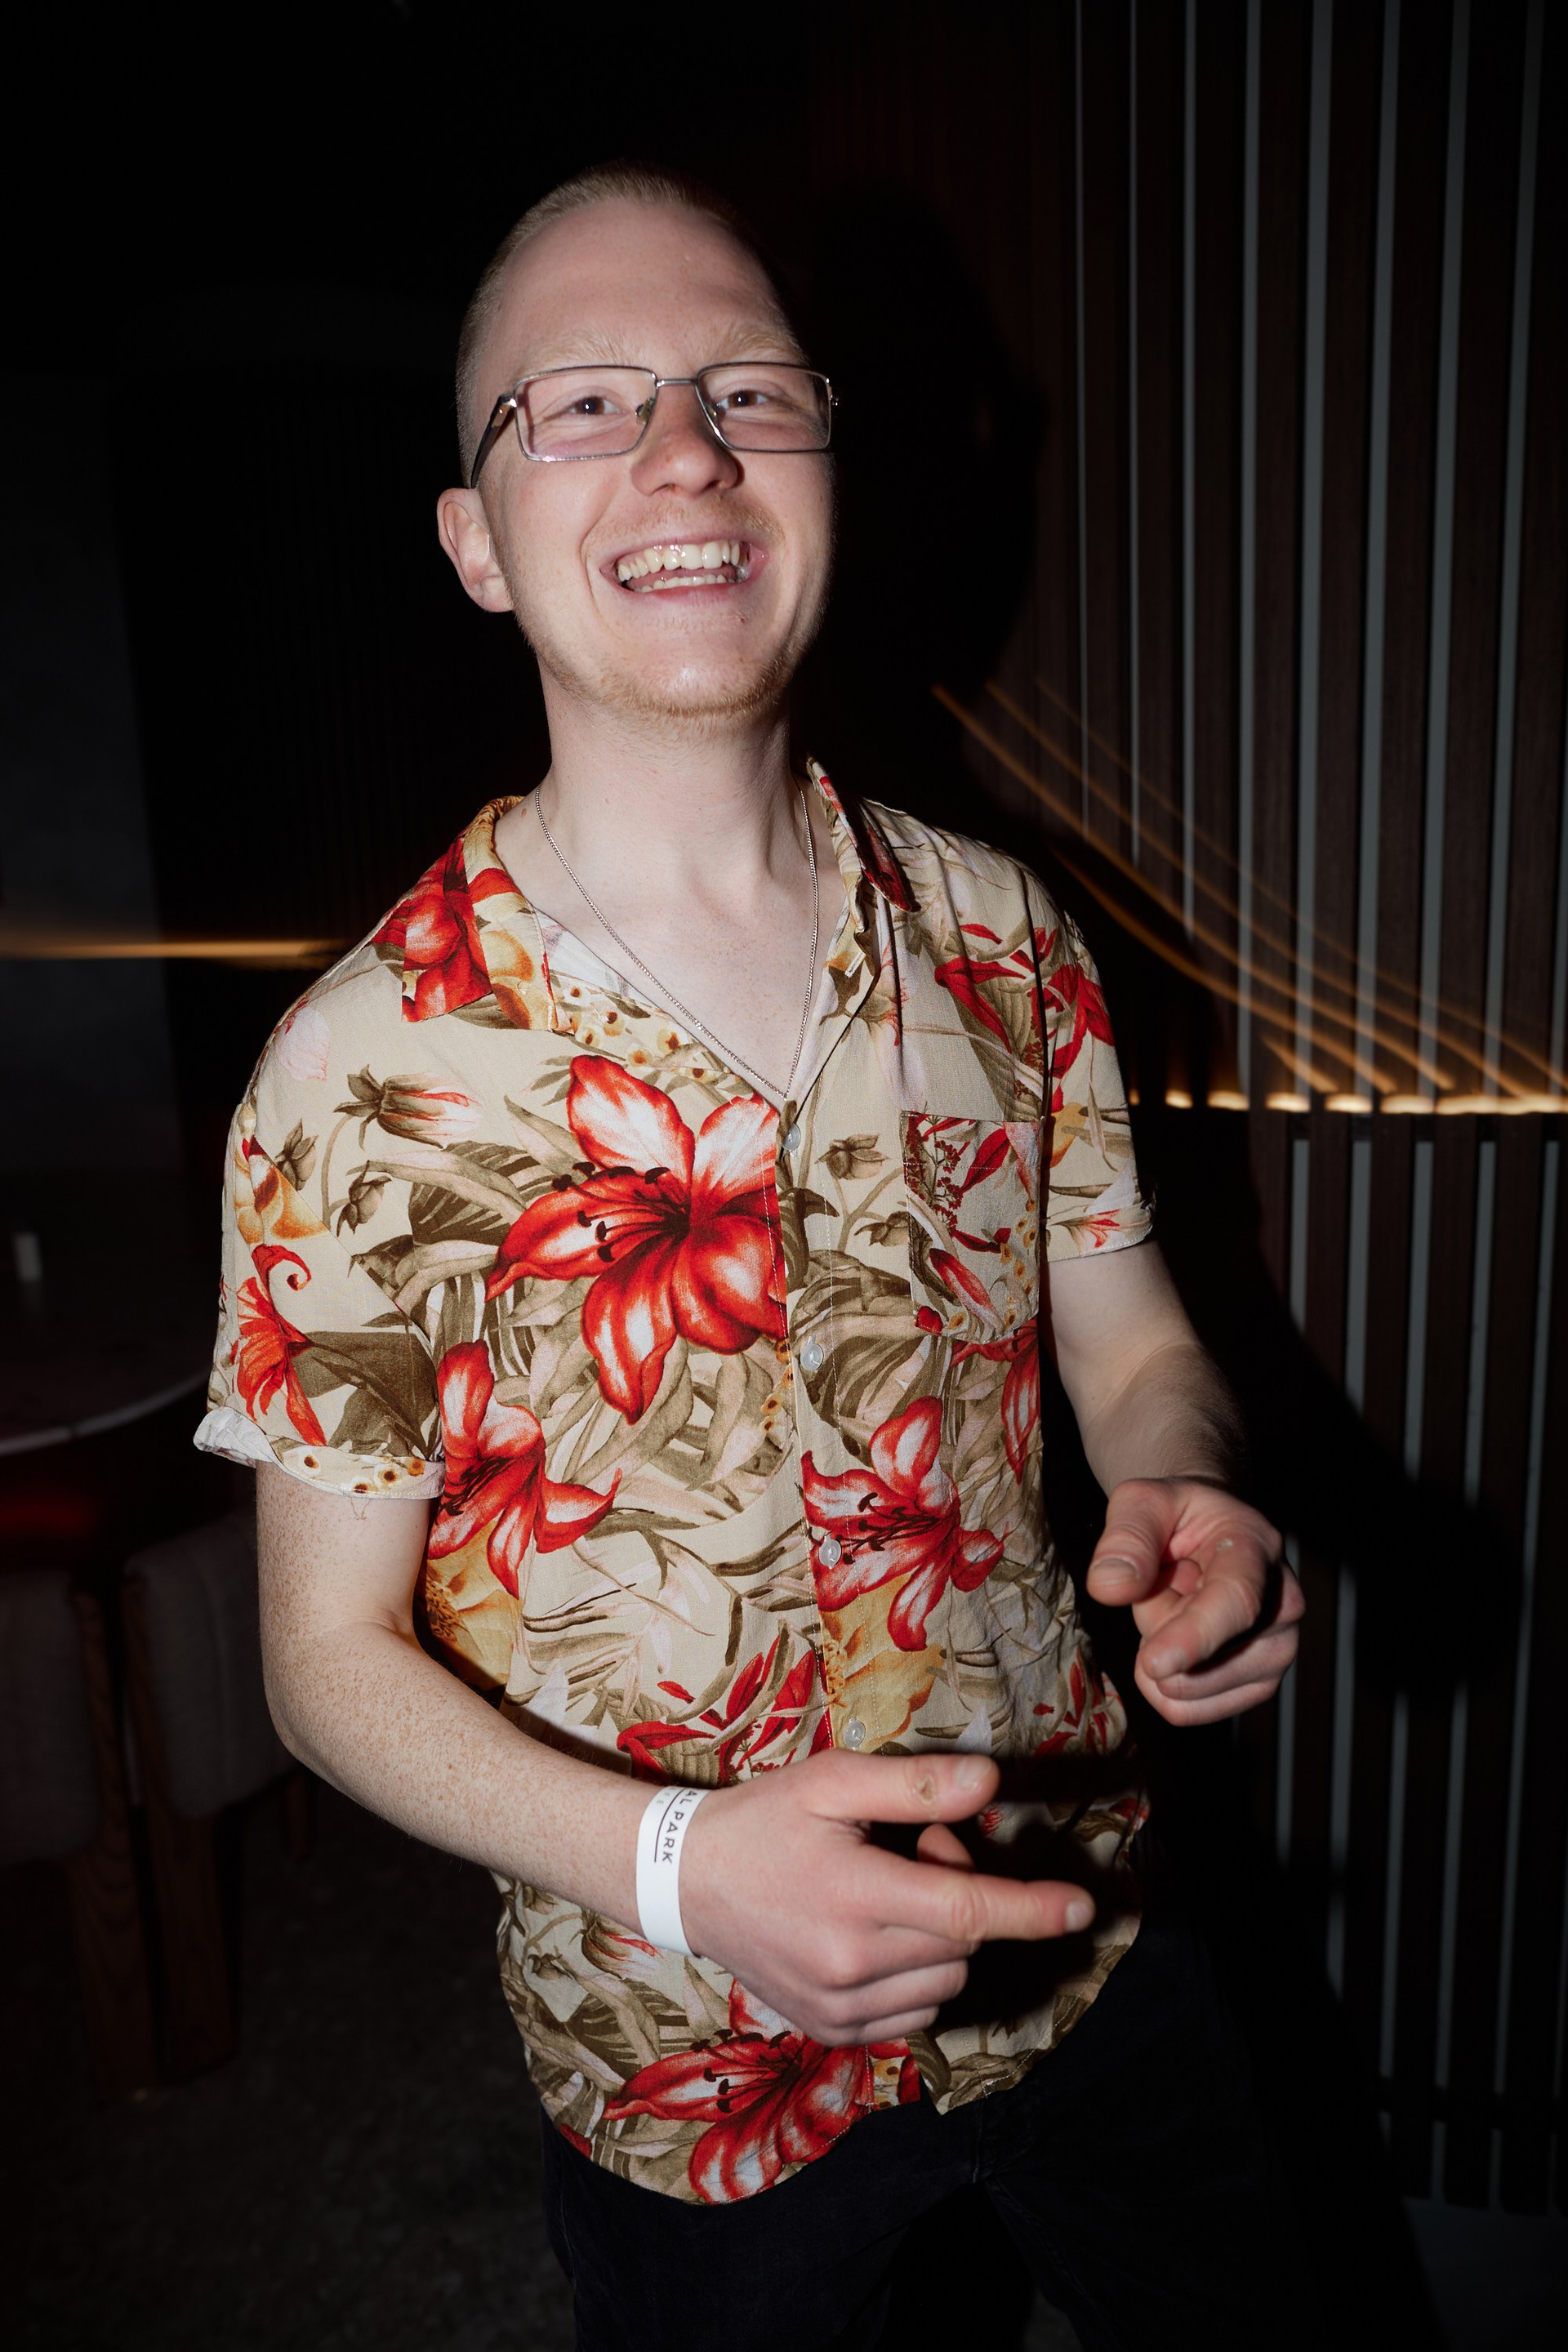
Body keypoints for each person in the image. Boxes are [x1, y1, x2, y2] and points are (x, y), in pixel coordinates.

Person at [198, 164, 1308, 2351]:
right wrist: (686, 1870)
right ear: (474, 542)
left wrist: (1193, 1477)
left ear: (825, 470)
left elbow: (1131, 1339)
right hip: (687, 2053)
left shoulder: (1007, 939)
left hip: (1077, 1917)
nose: (688, 447)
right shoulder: (353, 1073)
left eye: (748, 390)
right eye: (586, 403)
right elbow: (323, 1664)